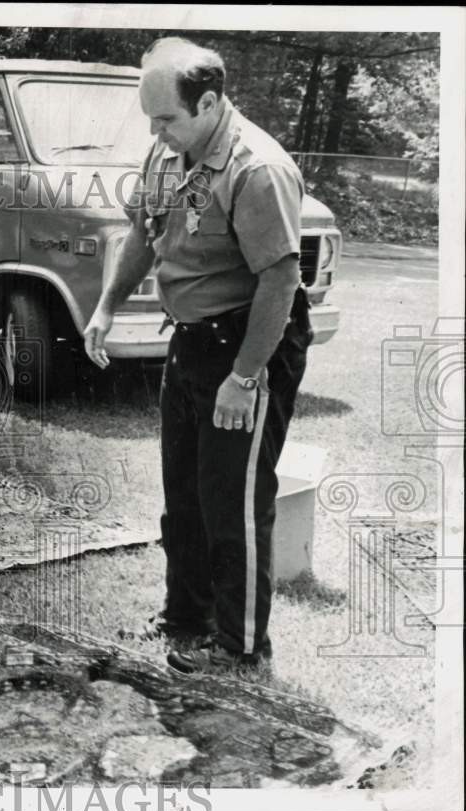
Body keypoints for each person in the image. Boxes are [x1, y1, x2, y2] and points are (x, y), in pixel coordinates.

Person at [84, 37, 313, 674]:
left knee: (232, 501)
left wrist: (245, 375)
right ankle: (186, 618)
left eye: (166, 119)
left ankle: (240, 648)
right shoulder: (171, 149)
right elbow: (143, 231)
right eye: (150, 119)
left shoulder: (256, 167)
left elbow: (280, 279)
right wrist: (106, 306)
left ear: (209, 102)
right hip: (189, 341)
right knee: (181, 492)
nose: (155, 132)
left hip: (248, 346)